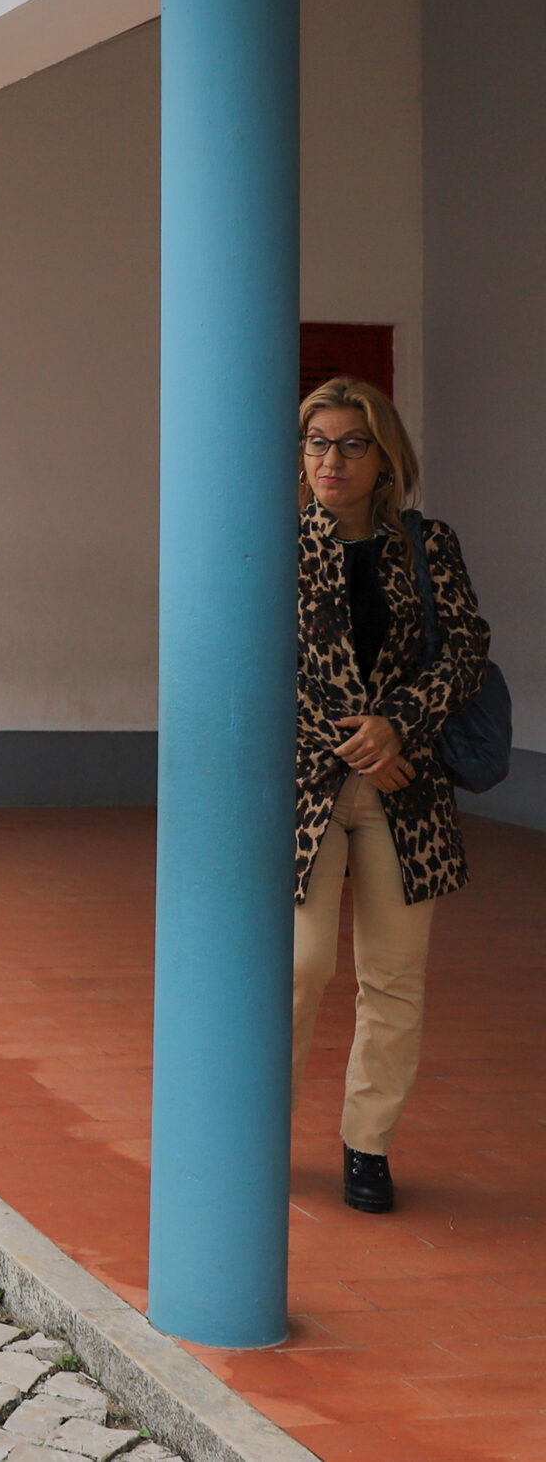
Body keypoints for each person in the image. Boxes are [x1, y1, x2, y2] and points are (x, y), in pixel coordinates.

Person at [292, 378, 489, 1215]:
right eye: (317, 442)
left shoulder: (425, 543)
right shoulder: (278, 543)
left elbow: (466, 648)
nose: (331, 460)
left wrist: (397, 728)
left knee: (395, 979)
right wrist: (357, 744)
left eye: (351, 444)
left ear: (385, 457)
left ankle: (367, 1148)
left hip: (407, 794)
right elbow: (262, 662)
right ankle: (258, 1132)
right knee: (299, 966)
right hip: (308, 787)